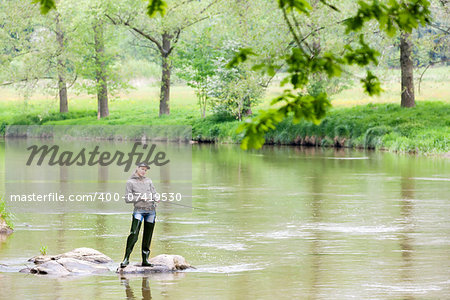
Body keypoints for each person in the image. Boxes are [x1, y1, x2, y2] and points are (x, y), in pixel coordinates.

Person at [120, 162, 158, 268]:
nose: (144, 171)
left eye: (145, 170)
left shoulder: (149, 181)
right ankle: (126, 258)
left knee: (148, 236)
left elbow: (154, 193)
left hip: (151, 211)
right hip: (139, 211)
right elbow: (127, 199)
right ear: (137, 169)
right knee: (134, 233)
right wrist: (141, 198)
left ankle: (145, 260)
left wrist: (156, 197)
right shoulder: (130, 182)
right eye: (142, 169)